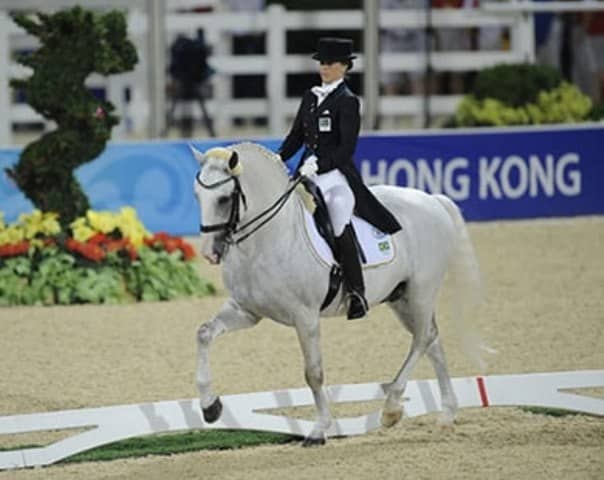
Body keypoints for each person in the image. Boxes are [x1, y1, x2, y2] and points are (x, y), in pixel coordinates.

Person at [277, 37, 402, 320]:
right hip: (306, 174)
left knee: (337, 221)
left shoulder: (347, 102)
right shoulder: (311, 97)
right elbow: (296, 136)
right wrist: (278, 158)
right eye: (322, 62)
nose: (324, 67)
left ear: (344, 67)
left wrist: (318, 164)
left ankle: (356, 292)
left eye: (330, 63)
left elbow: (346, 149)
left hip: (335, 178)